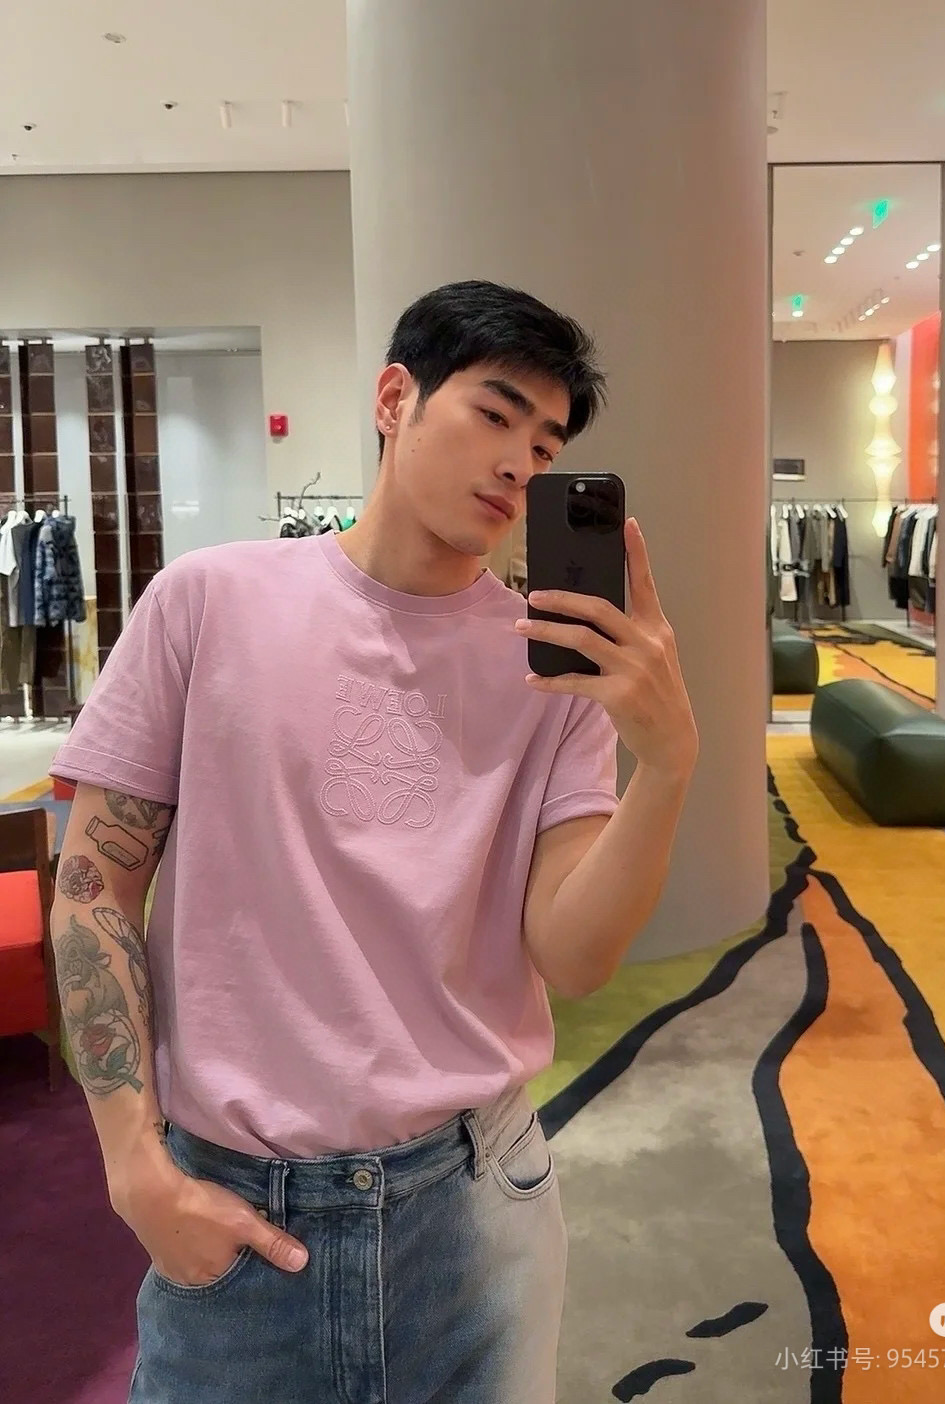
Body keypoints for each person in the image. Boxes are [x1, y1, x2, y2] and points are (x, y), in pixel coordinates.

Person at [48, 280, 699, 1404]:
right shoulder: (208, 602)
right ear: (396, 398)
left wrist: (670, 766)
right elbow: (94, 879)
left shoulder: (550, 672)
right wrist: (133, 1168)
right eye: (494, 415)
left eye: (546, 447)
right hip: (238, 1206)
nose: (519, 464)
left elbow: (577, 955)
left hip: (473, 1205)